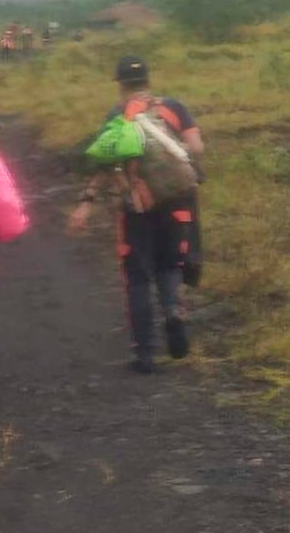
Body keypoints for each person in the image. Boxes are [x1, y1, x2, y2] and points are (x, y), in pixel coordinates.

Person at [68, 56, 204, 374]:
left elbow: (104, 162)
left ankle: (144, 353)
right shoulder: (174, 107)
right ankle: (173, 309)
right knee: (170, 264)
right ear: (148, 80)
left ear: (120, 84)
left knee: (138, 277)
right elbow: (196, 148)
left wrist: (85, 202)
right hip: (176, 200)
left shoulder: (117, 115)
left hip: (136, 207)